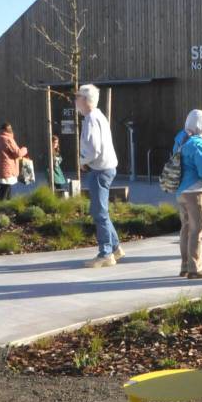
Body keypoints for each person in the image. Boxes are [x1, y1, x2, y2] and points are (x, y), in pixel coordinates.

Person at [77, 85, 123, 268]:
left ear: (84, 100)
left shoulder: (91, 119)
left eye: (77, 96)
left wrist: (82, 161)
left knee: (99, 212)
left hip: (99, 170)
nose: (75, 100)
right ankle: (115, 247)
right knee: (101, 211)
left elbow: (94, 149)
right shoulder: (98, 115)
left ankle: (106, 253)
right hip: (106, 168)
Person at [173, 109, 202, 279]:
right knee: (197, 230)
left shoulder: (180, 139)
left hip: (181, 191)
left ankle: (184, 266)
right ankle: (195, 268)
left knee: (185, 228)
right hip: (195, 191)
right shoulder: (198, 144)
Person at [0, 123, 28, 201]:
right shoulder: (8, 139)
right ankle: (3, 207)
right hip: (7, 171)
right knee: (5, 193)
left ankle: (0, 206)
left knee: (4, 192)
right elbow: (17, 153)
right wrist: (24, 150)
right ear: (10, 130)